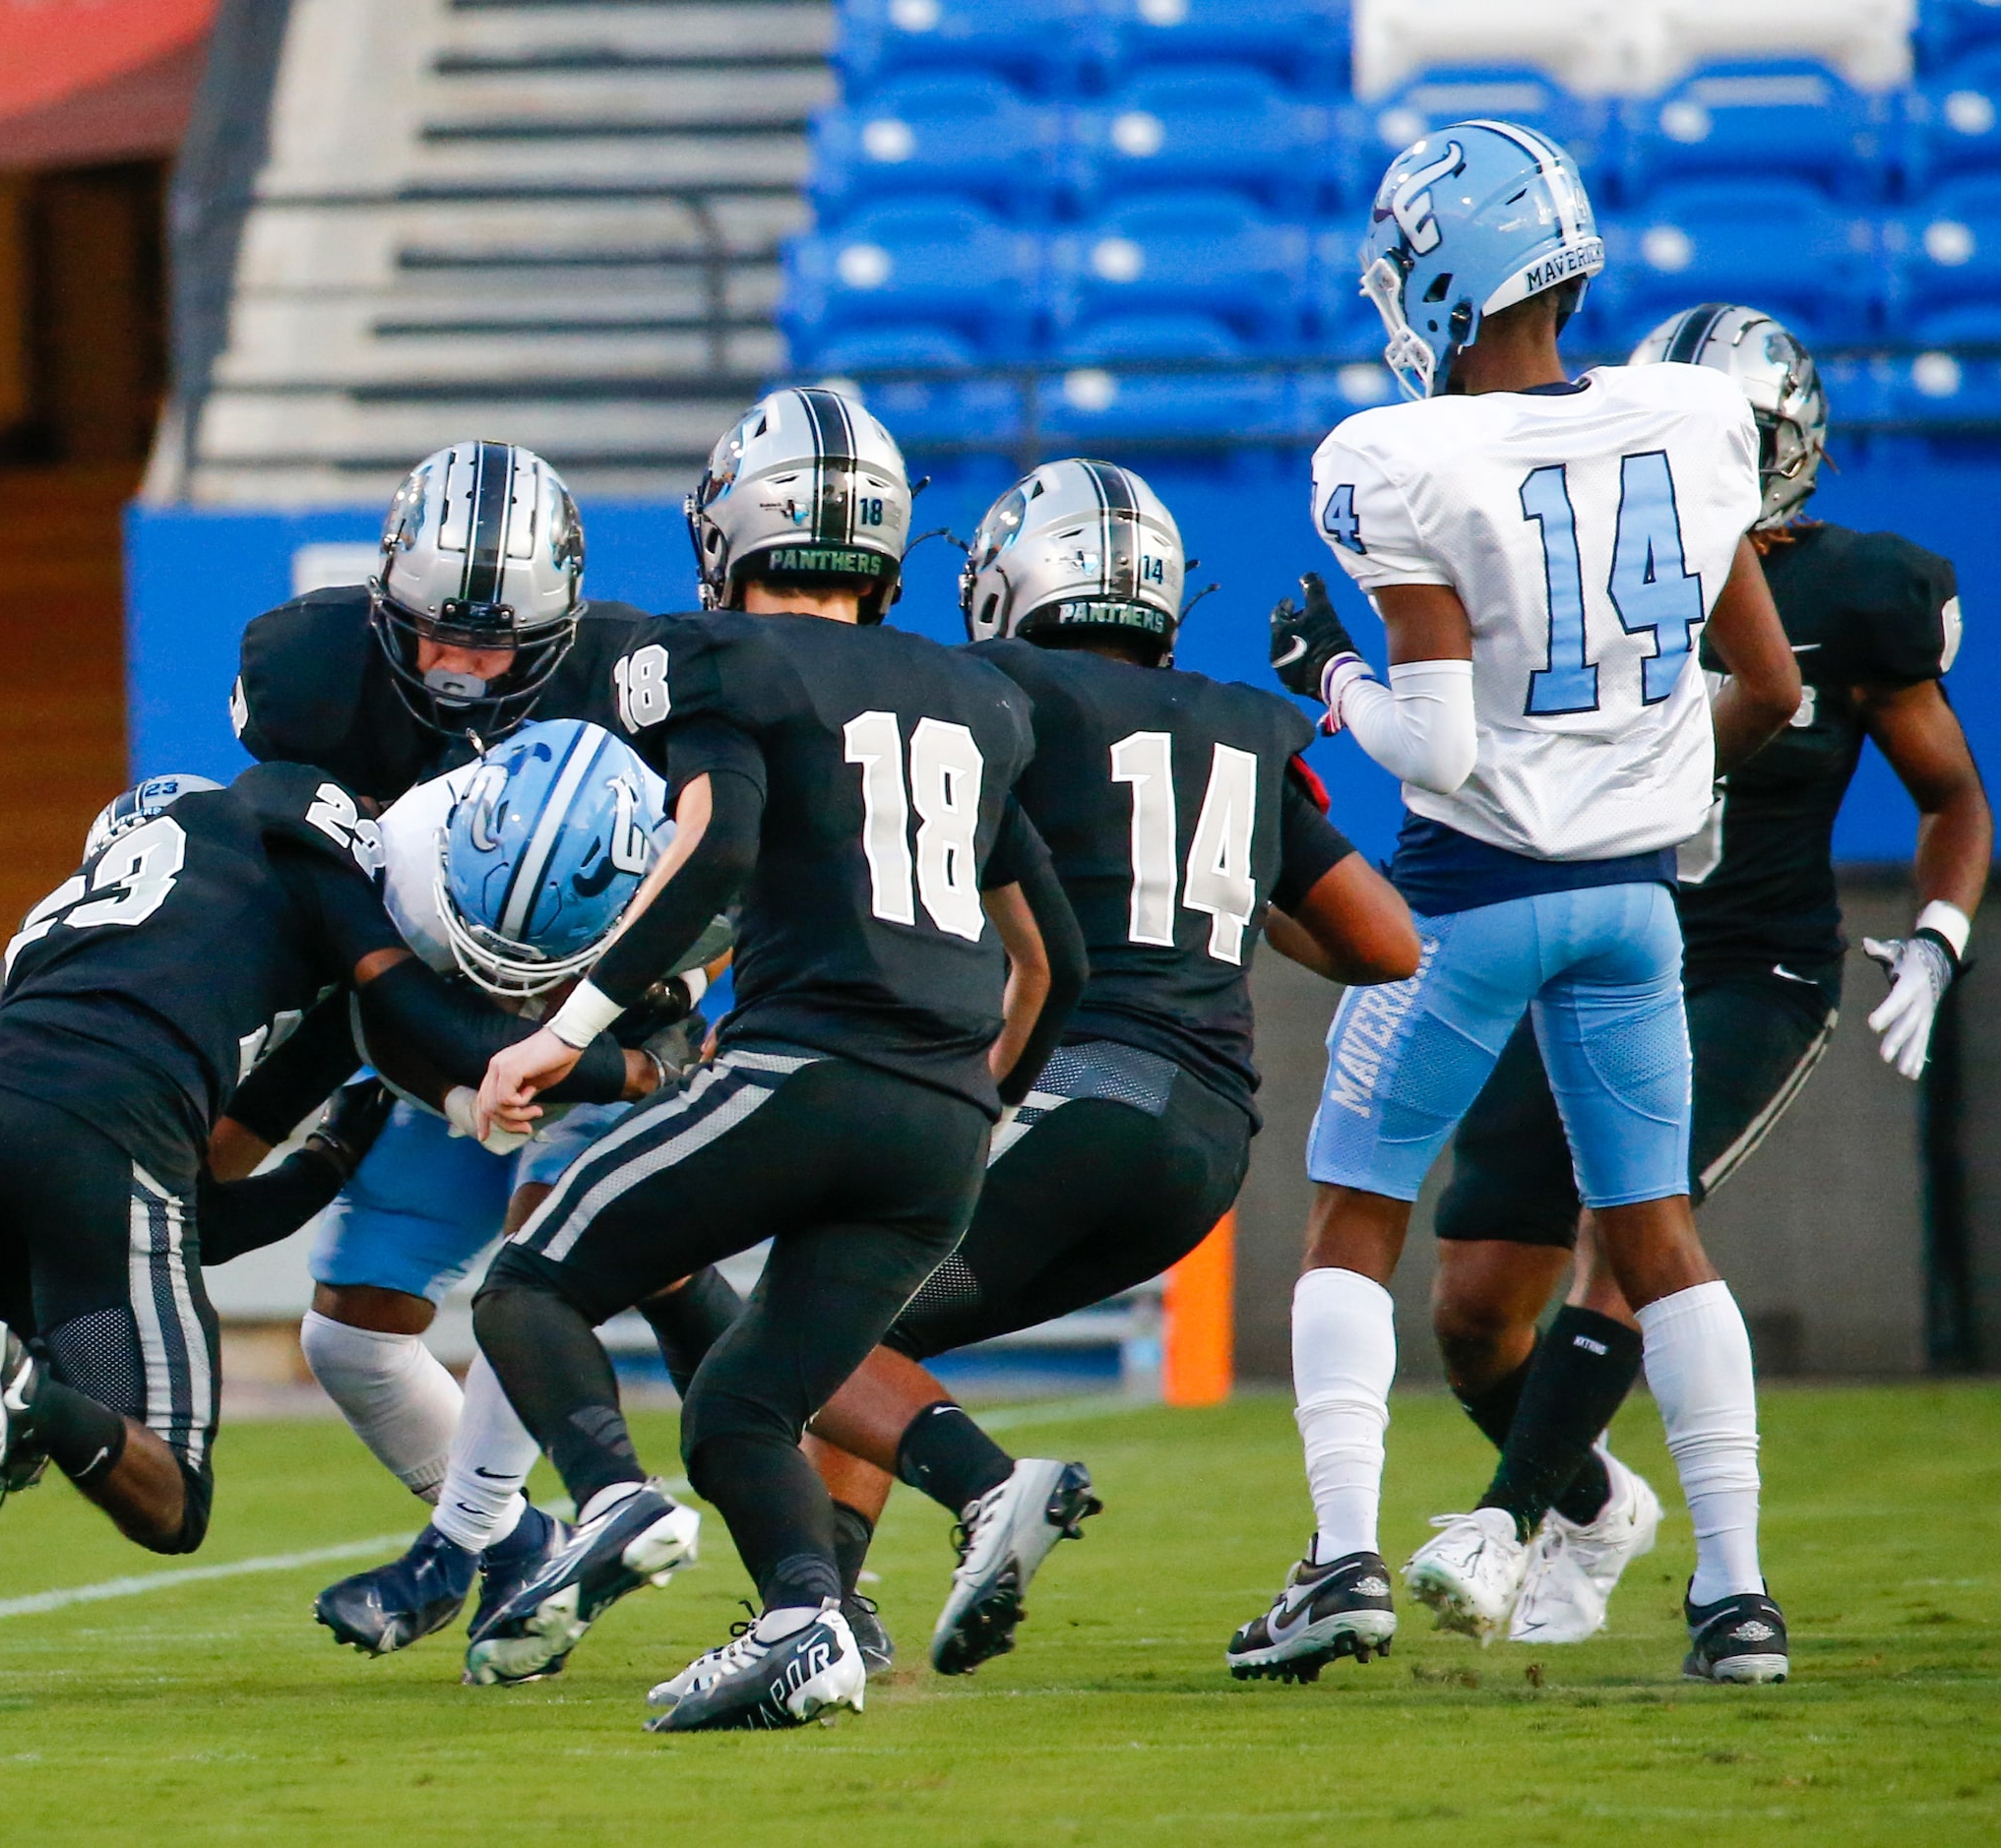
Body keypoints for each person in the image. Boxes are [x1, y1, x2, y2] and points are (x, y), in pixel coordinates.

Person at [1227, 119, 1806, 1688]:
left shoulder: (1397, 454)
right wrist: (1651, 781)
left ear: (1438, 275)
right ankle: (1735, 1597)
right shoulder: (1692, 416)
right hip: (1634, 907)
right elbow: (1760, 684)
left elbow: (1437, 738)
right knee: (1660, 1240)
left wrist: (1326, 680)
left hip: (1468, 901)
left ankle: (1342, 1556)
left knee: (1351, 1218)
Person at [462, 386, 1088, 1731]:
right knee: (743, 1398)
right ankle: (807, 1620)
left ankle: (611, 1503)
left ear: (734, 524)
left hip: (805, 1070)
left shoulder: (710, 655)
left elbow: (718, 844)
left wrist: (558, 1031)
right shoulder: (976, 692)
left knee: (525, 1283)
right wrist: (975, 1108)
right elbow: (1053, 964)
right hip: (937, 1120)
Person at [0, 765, 657, 1701]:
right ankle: (30, 1402)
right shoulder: (326, 875)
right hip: (104, 1122)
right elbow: (192, 1196)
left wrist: (317, 1167)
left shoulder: (89, 911)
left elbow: (182, 1216)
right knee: (166, 1497)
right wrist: (638, 1069)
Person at [1416, 303, 1992, 1647]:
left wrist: (1937, 936)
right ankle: (1593, 1503)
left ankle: (1563, 1542)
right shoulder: (1579, 558)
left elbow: (1951, 798)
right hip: (1579, 944)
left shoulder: (1851, 595)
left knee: (1635, 1221)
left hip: (1747, 963)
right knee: (1466, 1314)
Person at [796, 460, 1420, 1679]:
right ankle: (831, 1600)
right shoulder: (1238, 723)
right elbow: (1381, 942)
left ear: (1010, 586)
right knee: (870, 1316)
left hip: (1086, 1091)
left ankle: (974, 1503)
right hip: (1202, 1151)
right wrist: (1229, 897)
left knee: (798, 1320)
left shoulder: (996, 692)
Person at [291, 718, 734, 1657]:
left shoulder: (693, 883)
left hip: (592, 1055)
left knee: (536, 1271)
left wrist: (640, 1044)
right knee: (346, 1337)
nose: (511, 989)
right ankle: (520, 1543)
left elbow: (690, 995)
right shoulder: (408, 857)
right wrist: (458, 1088)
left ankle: (455, 1545)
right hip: (440, 1064)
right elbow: (383, 1010)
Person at [228, 439, 665, 802]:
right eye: (434, 630)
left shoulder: (623, 670)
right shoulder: (311, 657)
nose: (454, 664)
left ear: (545, 635)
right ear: (390, 610)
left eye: (489, 643)